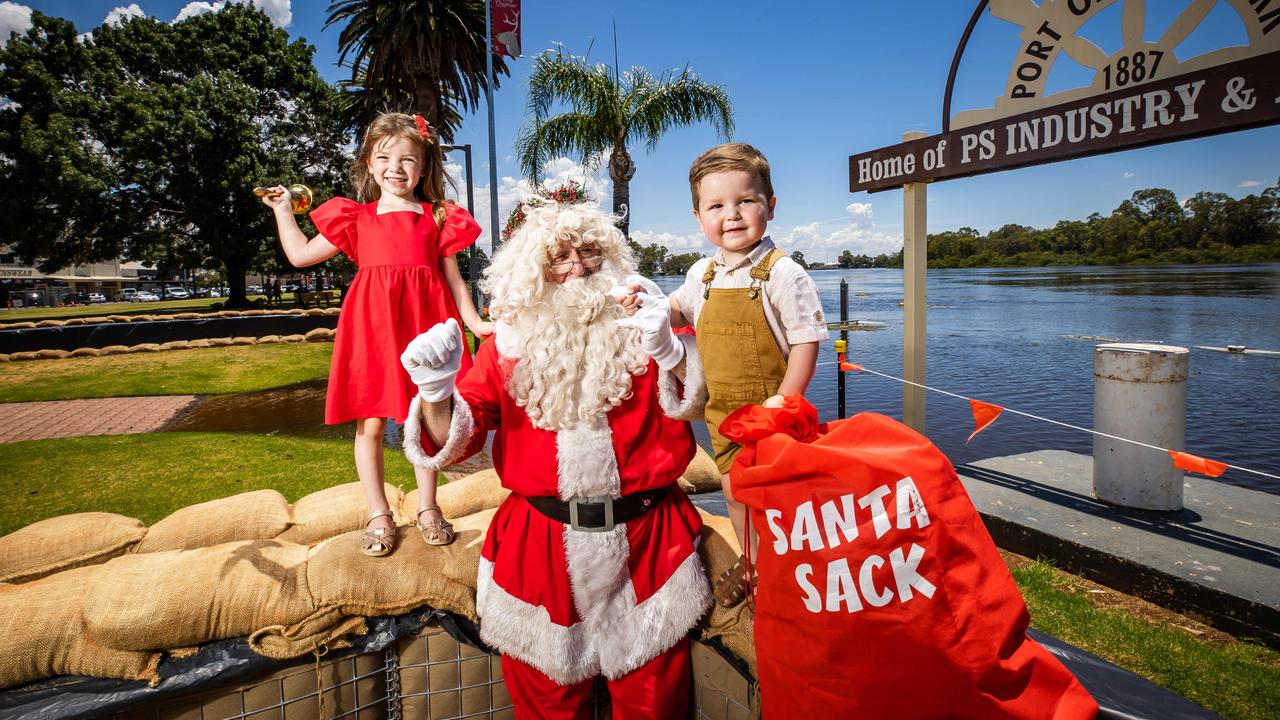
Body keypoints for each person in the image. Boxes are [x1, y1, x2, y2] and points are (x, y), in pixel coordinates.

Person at [398, 200, 711, 718]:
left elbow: (699, 402)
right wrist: (434, 392)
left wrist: (672, 351)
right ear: (534, 273)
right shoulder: (505, 347)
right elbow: (456, 440)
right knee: (548, 708)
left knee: (657, 708)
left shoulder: (649, 327)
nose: (578, 266)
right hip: (539, 551)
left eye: (589, 251)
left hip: (650, 546)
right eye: (559, 256)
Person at [261, 111, 492, 557]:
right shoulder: (356, 217)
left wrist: (476, 323)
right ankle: (379, 513)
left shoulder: (438, 216)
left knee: (426, 418)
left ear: (423, 167)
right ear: (369, 163)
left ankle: (428, 507)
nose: (396, 167)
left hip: (427, 323)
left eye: (409, 159)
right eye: (385, 157)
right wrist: (284, 211)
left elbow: (455, 281)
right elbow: (300, 255)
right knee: (370, 422)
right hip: (372, 326)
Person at [632, 142, 828, 607]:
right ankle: (754, 562)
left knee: (781, 498)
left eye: (745, 201)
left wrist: (786, 399)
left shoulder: (783, 274)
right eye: (716, 206)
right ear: (699, 217)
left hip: (773, 413)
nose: (732, 215)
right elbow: (676, 305)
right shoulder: (703, 274)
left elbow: (806, 340)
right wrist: (647, 300)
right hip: (721, 412)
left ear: (770, 207)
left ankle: (795, 569)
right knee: (735, 491)